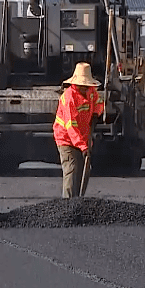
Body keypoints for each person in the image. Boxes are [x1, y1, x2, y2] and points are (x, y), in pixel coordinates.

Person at [53, 62, 104, 198]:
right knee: (72, 168)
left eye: (87, 86)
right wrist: (82, 146)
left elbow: (99, 103)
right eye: (83, 85)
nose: (85, 88)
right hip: (66, 139)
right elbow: (71, 126)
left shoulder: (91, 92)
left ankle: (78, 201)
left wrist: (96, 113)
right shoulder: (69, 97)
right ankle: (68, 204)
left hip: (83, 137)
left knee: (84, 171)